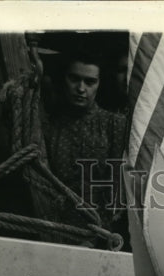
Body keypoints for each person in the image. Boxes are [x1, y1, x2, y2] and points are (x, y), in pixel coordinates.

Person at [44, 48, 126, 237]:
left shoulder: (114, 125)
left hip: (98, 230)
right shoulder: (49, 125)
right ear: (64, 79)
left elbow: (116, 188)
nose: (81, 89)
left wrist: (97, 235)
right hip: (52, 226)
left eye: (90, 82)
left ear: (99, 84)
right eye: (74, 79)